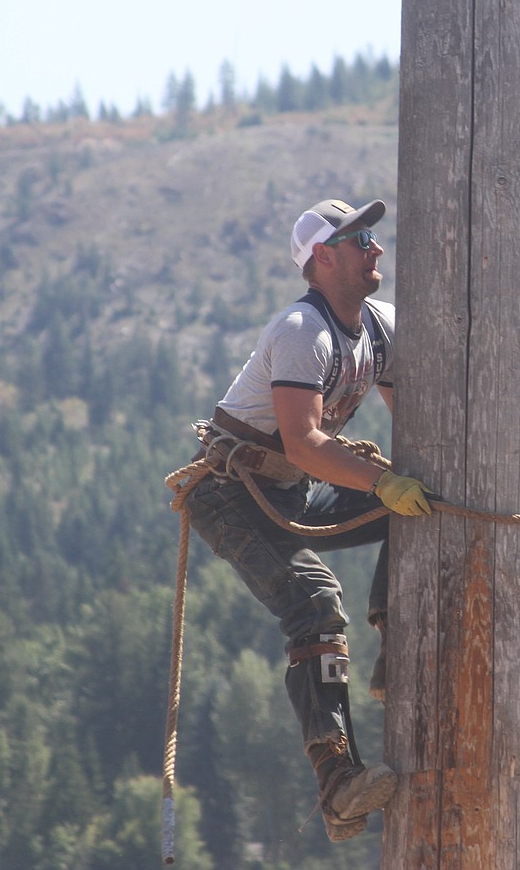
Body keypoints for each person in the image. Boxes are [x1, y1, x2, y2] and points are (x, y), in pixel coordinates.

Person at [183, 197, 433, 842]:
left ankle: (392, 646)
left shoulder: (380, 327)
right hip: (231, 491)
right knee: (315, 605)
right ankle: (338, 784)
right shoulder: (304, 330)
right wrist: (384, 481)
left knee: (416, 507)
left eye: (373, 237)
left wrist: (414, 485)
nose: (376, 248)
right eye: (360, 240)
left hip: (292, 490)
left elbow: (413, 420)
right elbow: (301, 441)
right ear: (323, 258)